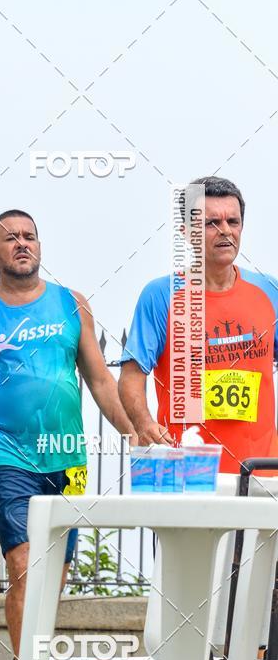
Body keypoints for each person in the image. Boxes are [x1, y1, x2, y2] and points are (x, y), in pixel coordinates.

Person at [0, 209, 135, 660]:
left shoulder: (72, 305)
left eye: (29, 236)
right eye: (10, 238)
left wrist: (134, 432)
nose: (22, 244)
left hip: (66, 459)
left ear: (40, 246)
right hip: (6, 458)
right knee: (24, 565)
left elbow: (100, 380)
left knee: (54, 577)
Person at [118, 176, 278, 470]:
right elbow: (131, 375)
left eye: (233, 221)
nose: (225, 231)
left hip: (260, 472)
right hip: (188, 471)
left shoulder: (269, 291)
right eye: (211, 223)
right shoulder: (161, 295)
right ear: (187, 232)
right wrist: (144, 423)